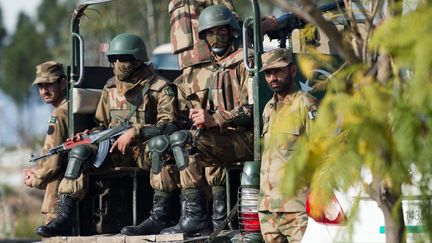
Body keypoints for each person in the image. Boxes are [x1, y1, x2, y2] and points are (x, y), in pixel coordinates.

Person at [35, 33, 182, 237]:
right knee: (80, 152)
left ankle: (160, 215)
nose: (114, 64)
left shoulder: (160, 88)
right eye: (111, 59)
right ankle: (65, 215)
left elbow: (170, 126)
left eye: (119, 59)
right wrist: (91, 135)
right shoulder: (111, 87)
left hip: (145, 150)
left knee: (160, 146)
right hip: (113, 149)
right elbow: (101, 124)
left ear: (136, 59)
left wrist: (135, 132)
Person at [169, 2, 277, 231]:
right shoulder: (212, 69)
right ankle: (212, 216)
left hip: (250, 138)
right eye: (210, 34)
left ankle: (196, 218)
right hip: (226, 138)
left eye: (221, 32)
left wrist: (215, 119)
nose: (216, 38)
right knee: (176, 142)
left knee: (186, 142)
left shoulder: (247, 61)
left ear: (231, 32)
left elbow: (255, 110)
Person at [258, 48, 318, 243]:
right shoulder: (268, 108)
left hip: (296, 206)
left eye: (278, 71)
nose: (272, 77)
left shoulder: (306, 104)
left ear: (292, 70)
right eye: (268, 73)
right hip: (268, 208)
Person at [24, 61, 68, 225]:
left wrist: (34, 179)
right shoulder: (71, 109)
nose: (44, 91)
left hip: (57, 200)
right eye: (40, 86)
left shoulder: (59, 115)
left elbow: (53, 163)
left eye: (49, 84)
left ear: (62, 83)